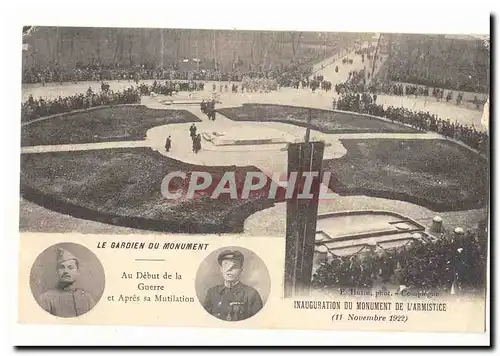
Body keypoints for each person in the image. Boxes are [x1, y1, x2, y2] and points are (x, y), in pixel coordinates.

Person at [203, 250, 263, 321]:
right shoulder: (212, 293)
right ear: (221, 269)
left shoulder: (252, 294)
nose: (229, 270)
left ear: (241, 270)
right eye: (226, 266)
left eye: (234, 267)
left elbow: (258, 322)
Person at [37, 248, 96, 318]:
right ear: (57, 272)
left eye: (70, 267)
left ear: (77, 272)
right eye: (61, 267)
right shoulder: (46, 299)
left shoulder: (87, 299)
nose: (66, 271)